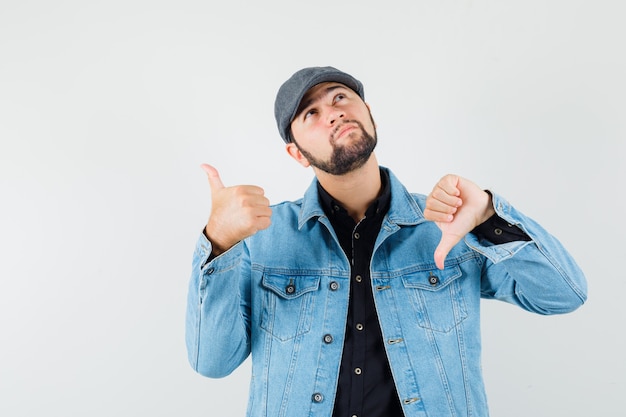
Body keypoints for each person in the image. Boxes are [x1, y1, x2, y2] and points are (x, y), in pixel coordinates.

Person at [185, 66, 587, 417]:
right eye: (312, 113)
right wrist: (218, 243)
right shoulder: (263, 239)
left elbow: (563, 295)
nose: (334, 112)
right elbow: (211, 361)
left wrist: (486, 216)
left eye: (341, 97)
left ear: (369, 113)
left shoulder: (447, 222)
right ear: (297, 154)